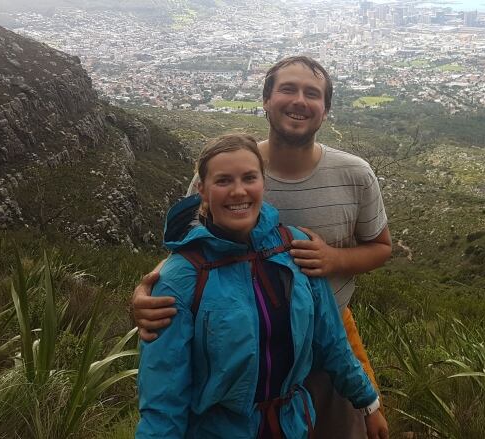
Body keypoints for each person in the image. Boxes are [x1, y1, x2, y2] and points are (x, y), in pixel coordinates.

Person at [133, 56, 392, 437]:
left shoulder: (355, 174)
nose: (299, 101)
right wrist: (148, 289)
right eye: (287, 88)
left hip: (327, 336)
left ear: (326, 109)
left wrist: (333, 259)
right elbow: (191, 251)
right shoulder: (229, 166)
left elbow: (381, 248)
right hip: (233, 360)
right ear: (266, 100)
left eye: (312, 93)